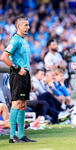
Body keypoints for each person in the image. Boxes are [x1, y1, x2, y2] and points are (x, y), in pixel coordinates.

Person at [1, 15, 36, 143]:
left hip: (26, 76)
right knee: (16, 104)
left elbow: (27, 63)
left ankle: (21, 135)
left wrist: (31, 80)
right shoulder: (15, 40)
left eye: (28, 25)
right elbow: (4, 57)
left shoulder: (25, 42)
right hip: (17, 75)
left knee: (23, 105)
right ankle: (12, 136)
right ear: (18, 26)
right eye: (25, 25)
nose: (28, 27)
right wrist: (16, 68)